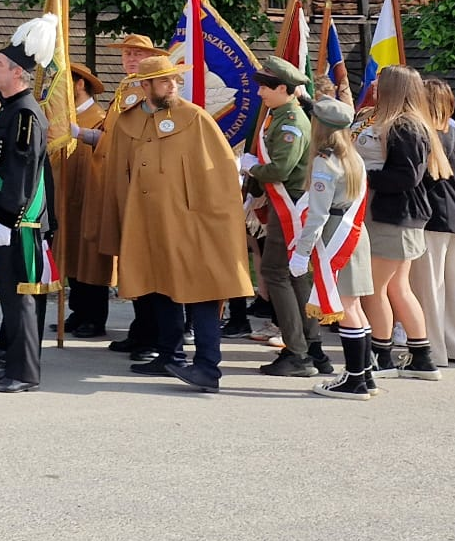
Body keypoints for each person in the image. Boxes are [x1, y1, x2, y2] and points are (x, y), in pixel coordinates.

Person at [113, 51, 253, 393]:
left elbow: (218, 176)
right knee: (160, 285)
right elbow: (119, 175)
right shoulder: (127, 121)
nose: (174, 84)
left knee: (201, 290)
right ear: (145, 85)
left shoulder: (196, 119)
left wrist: (212, 222)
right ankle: (169, 355)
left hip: (192, 224)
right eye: (164, 80)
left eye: (175, 79)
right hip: (148, 222)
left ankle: (207, 366)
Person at [356, 64, 450, 381]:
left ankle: (381, 356)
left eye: (381, 83)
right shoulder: (410, 123)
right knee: (397, 287)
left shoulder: (404, 126)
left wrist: (363, 176)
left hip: (393, 215)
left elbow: (406, 176)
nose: (375, 86)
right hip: (400, 215)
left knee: (375, 289)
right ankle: (422, 358)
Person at [0, 23, 52, 394]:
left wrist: (6, 218)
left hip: (19, 222)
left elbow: (21, 171)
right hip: (9, 219)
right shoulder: (12, 109)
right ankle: (15, 364)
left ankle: (24, 373)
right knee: (11, 296)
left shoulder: (24, 114)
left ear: (17, 73)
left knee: (21, 296)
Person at [287, 95, 376, 399]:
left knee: (346, 308)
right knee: (355, 307)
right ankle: (364, 375)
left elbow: (318, 214)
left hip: (336, 235)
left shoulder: (325, 162)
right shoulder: (353, 156)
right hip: (354, 232)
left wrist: (301, 251)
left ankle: (354, 379)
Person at [240, 57, 322, 377]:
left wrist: (250, 168)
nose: (260, 92)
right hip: (286, 205)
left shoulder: (290, 122)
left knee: (277, 274)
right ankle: (309, 345)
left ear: (284, 89)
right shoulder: (280, 116)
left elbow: (280, 169)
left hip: (290, 206)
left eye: (265, 87)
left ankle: (297, 351)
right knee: (295, 275)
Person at [93, 35, 172, 361]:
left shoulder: (145, 94)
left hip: (142, 187)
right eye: (126, 53)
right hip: (122, 182)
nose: (129, 58)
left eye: (137, 54)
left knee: (147, 264)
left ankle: (153, 336)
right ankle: (141, 330)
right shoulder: (126, 88)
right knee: (132, 262)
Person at [415, 77, 455, 366]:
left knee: (430, 288)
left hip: (433, 217)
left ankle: (434, 350)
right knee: (454, 287)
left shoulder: (425, 134)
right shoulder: (454, 132)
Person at [60, 60, 111, 339]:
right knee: (71, 256)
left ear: (80, 84)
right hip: (68, 197)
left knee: (91, 258)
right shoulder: (65, 117)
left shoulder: (99, 118)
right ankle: (78, 311)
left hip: (91, 196)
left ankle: (95, 317)